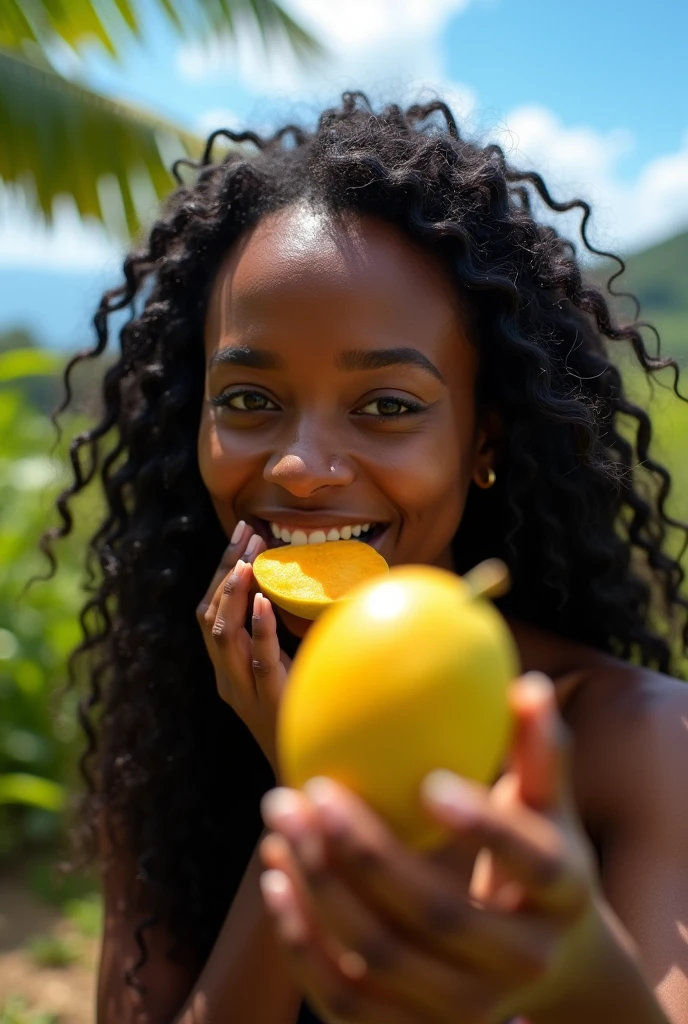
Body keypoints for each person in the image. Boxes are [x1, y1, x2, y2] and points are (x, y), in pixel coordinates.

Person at [49, 92, 688, 1024]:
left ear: (483, 440)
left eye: (387, 405)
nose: (302, 468)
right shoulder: (176, 730)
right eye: (248, 400)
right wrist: (309, 801)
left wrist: (582, 966)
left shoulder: (640, 742)